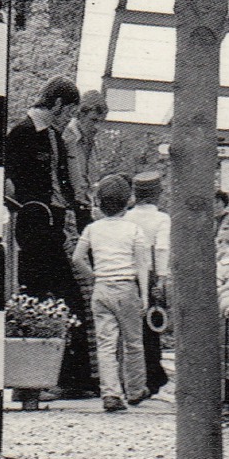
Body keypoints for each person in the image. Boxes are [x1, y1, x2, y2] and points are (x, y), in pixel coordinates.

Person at [6, 76, 95, 397]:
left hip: (54, 223)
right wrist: (30, 212)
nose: (70, 118)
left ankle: (55, 379)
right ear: (57, 104)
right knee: (45, 296)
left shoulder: (55, 136)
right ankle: (41, 380)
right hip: (36, 224)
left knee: (54, 298)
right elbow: (9, 183)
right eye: (69, 111)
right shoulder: (22, 134)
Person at [72, 175, 151, 412]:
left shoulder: (92, 229)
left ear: (99, 202)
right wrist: (145, 295)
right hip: (127, 288)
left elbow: (77, 258)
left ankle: (110, 393)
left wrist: (94, 275)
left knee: (105, 343)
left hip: (102, 289)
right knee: (133, 342)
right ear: (128, 201)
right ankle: (136, 389)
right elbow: (142, 266)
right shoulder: (134, 230)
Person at [126, 170, 171, 396]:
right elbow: (162, 248)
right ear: (157, 194)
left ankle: (134, 377)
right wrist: (162, 278)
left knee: (132, 328)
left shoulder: (126, 217)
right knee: (151, 327)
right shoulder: (161, 219)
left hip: (127, 273)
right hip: (152, 273)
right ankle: (153, 375)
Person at [63, 89, 109, 229]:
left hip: (84, 209)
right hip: (67, 210)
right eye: (93, 120)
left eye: (101, 122)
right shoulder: (66, 138)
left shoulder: (91, 143)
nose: (97, 127)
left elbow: (92, 179)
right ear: (80, 115)